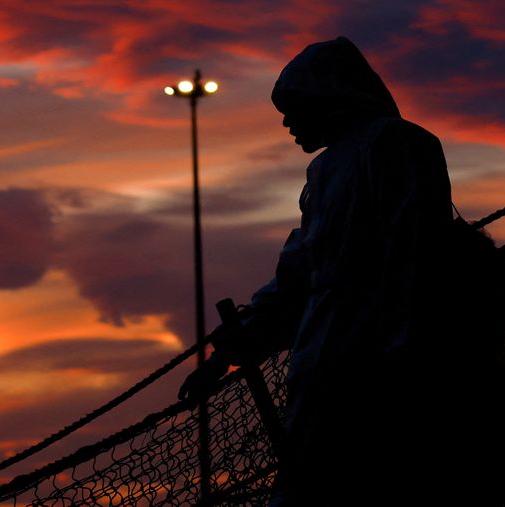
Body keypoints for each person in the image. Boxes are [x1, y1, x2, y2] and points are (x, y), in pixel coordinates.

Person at [178, 36, 471, 504]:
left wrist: (401, 355)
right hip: (322, 376)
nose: (287, 122)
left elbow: (414, 255)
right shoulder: (322, 175)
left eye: (295, 106)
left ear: (331, 95)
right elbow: (298, 277)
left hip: (378, 376)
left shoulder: (393, 143)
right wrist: (228, 352)